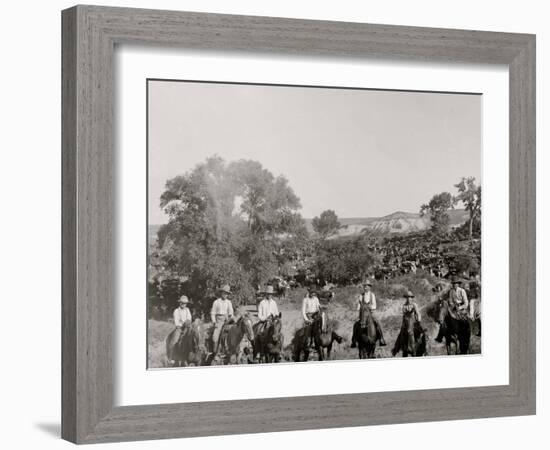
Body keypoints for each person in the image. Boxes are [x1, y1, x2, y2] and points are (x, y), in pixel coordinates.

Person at [351, 280, 386, 348]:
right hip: (363, 313)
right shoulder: (361, 295)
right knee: (356, 324)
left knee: (377, 322)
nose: (365, 288)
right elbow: (359, 304)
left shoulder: (372, 295)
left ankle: (381, 339)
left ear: (369, 287)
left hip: (370, 313)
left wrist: (371, 307)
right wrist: (358, 309)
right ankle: (354, 341)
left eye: (367, 286)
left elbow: (375, 305)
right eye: (364, 286)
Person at [434, 276, 469, 343]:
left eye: (456, 283)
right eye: (453, 283)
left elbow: (466, 303)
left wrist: (460, 307)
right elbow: (450, 300)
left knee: (464, 321)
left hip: (461, 308)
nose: (454, 285)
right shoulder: (451, 291)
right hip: (453, 308)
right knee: (445, 319)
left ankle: (464, 334)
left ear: (458, 284)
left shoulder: (462, 291)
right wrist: (451, 304)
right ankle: (440, 336)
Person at [391, 291, 423, 356]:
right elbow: (404, 313)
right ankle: (396, 348)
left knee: (421, 331)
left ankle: (423, 347)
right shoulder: (404, 305)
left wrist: (418, 320)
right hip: (406, 321)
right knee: (401, 333)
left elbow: (418, 313)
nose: (409, 299)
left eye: (410, 297)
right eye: (407, 297)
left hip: (413, 321)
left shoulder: (414, 305)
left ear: (412, 298)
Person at [166, 295, 192, 364]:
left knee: (193, 337)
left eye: (185, 303)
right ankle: (171, 357)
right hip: (179, 328)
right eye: (182, 303)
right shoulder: (176, 311)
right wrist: (182, 324)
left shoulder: (187, 310)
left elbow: (189, 318)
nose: (183, 304)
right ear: (180, 303)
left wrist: (188, 322)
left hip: (187, 327)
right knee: (174, 340)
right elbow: (176, 322)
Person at [210, 284, 234, 354]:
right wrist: (214, 322)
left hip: (227, 320)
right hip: (219, 321)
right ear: (221, 293)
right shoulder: (216, 302)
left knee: (233, 332)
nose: (225, 295)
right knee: (215, 335)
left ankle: (232, 349)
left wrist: (231, 317)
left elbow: (231, 312)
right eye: (224, 293)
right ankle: (215, 352)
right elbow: (213, 313)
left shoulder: (229, 302)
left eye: (227, 294)